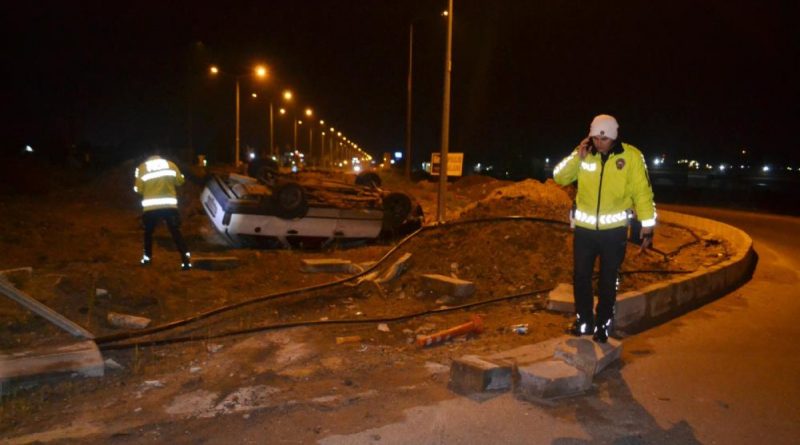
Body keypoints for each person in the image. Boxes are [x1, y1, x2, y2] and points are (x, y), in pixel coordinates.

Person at [553, 114, 656, 342]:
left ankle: (603, 325)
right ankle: (584, 323)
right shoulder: (584, 153)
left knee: (608, 280)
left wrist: (647, 227)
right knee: (581, 277)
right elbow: (559, 177)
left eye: (604, 140)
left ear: (613, 138)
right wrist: (576, 159)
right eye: (595, 139)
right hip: (585, 232)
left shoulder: (631, 157)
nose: (598, 144)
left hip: (614, 233)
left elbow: (643, 193)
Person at [133, 153, 192, 270]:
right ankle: (185, 260)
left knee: (148, 233)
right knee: (175, 232)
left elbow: (138, 189)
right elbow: (180, 181)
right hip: (169, 206)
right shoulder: (170, 164)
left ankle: (147, 258)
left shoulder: (142, 168)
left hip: (151, 208)